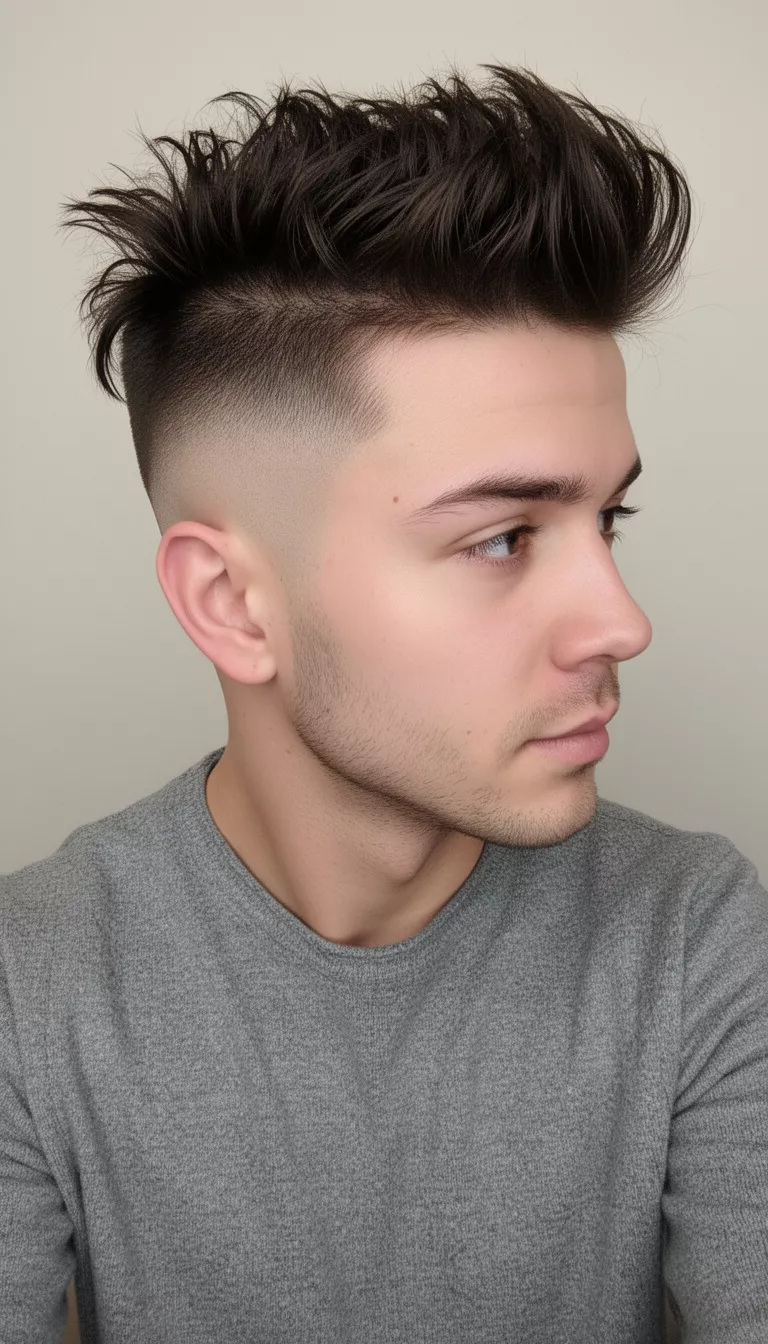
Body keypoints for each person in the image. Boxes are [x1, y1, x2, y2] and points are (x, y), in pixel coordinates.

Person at [1, 62, 766, 1343]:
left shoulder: (698, 940)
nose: (622, 621)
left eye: (606, 516)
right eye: (504, 537)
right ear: (235, 607)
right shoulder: (32, 987)